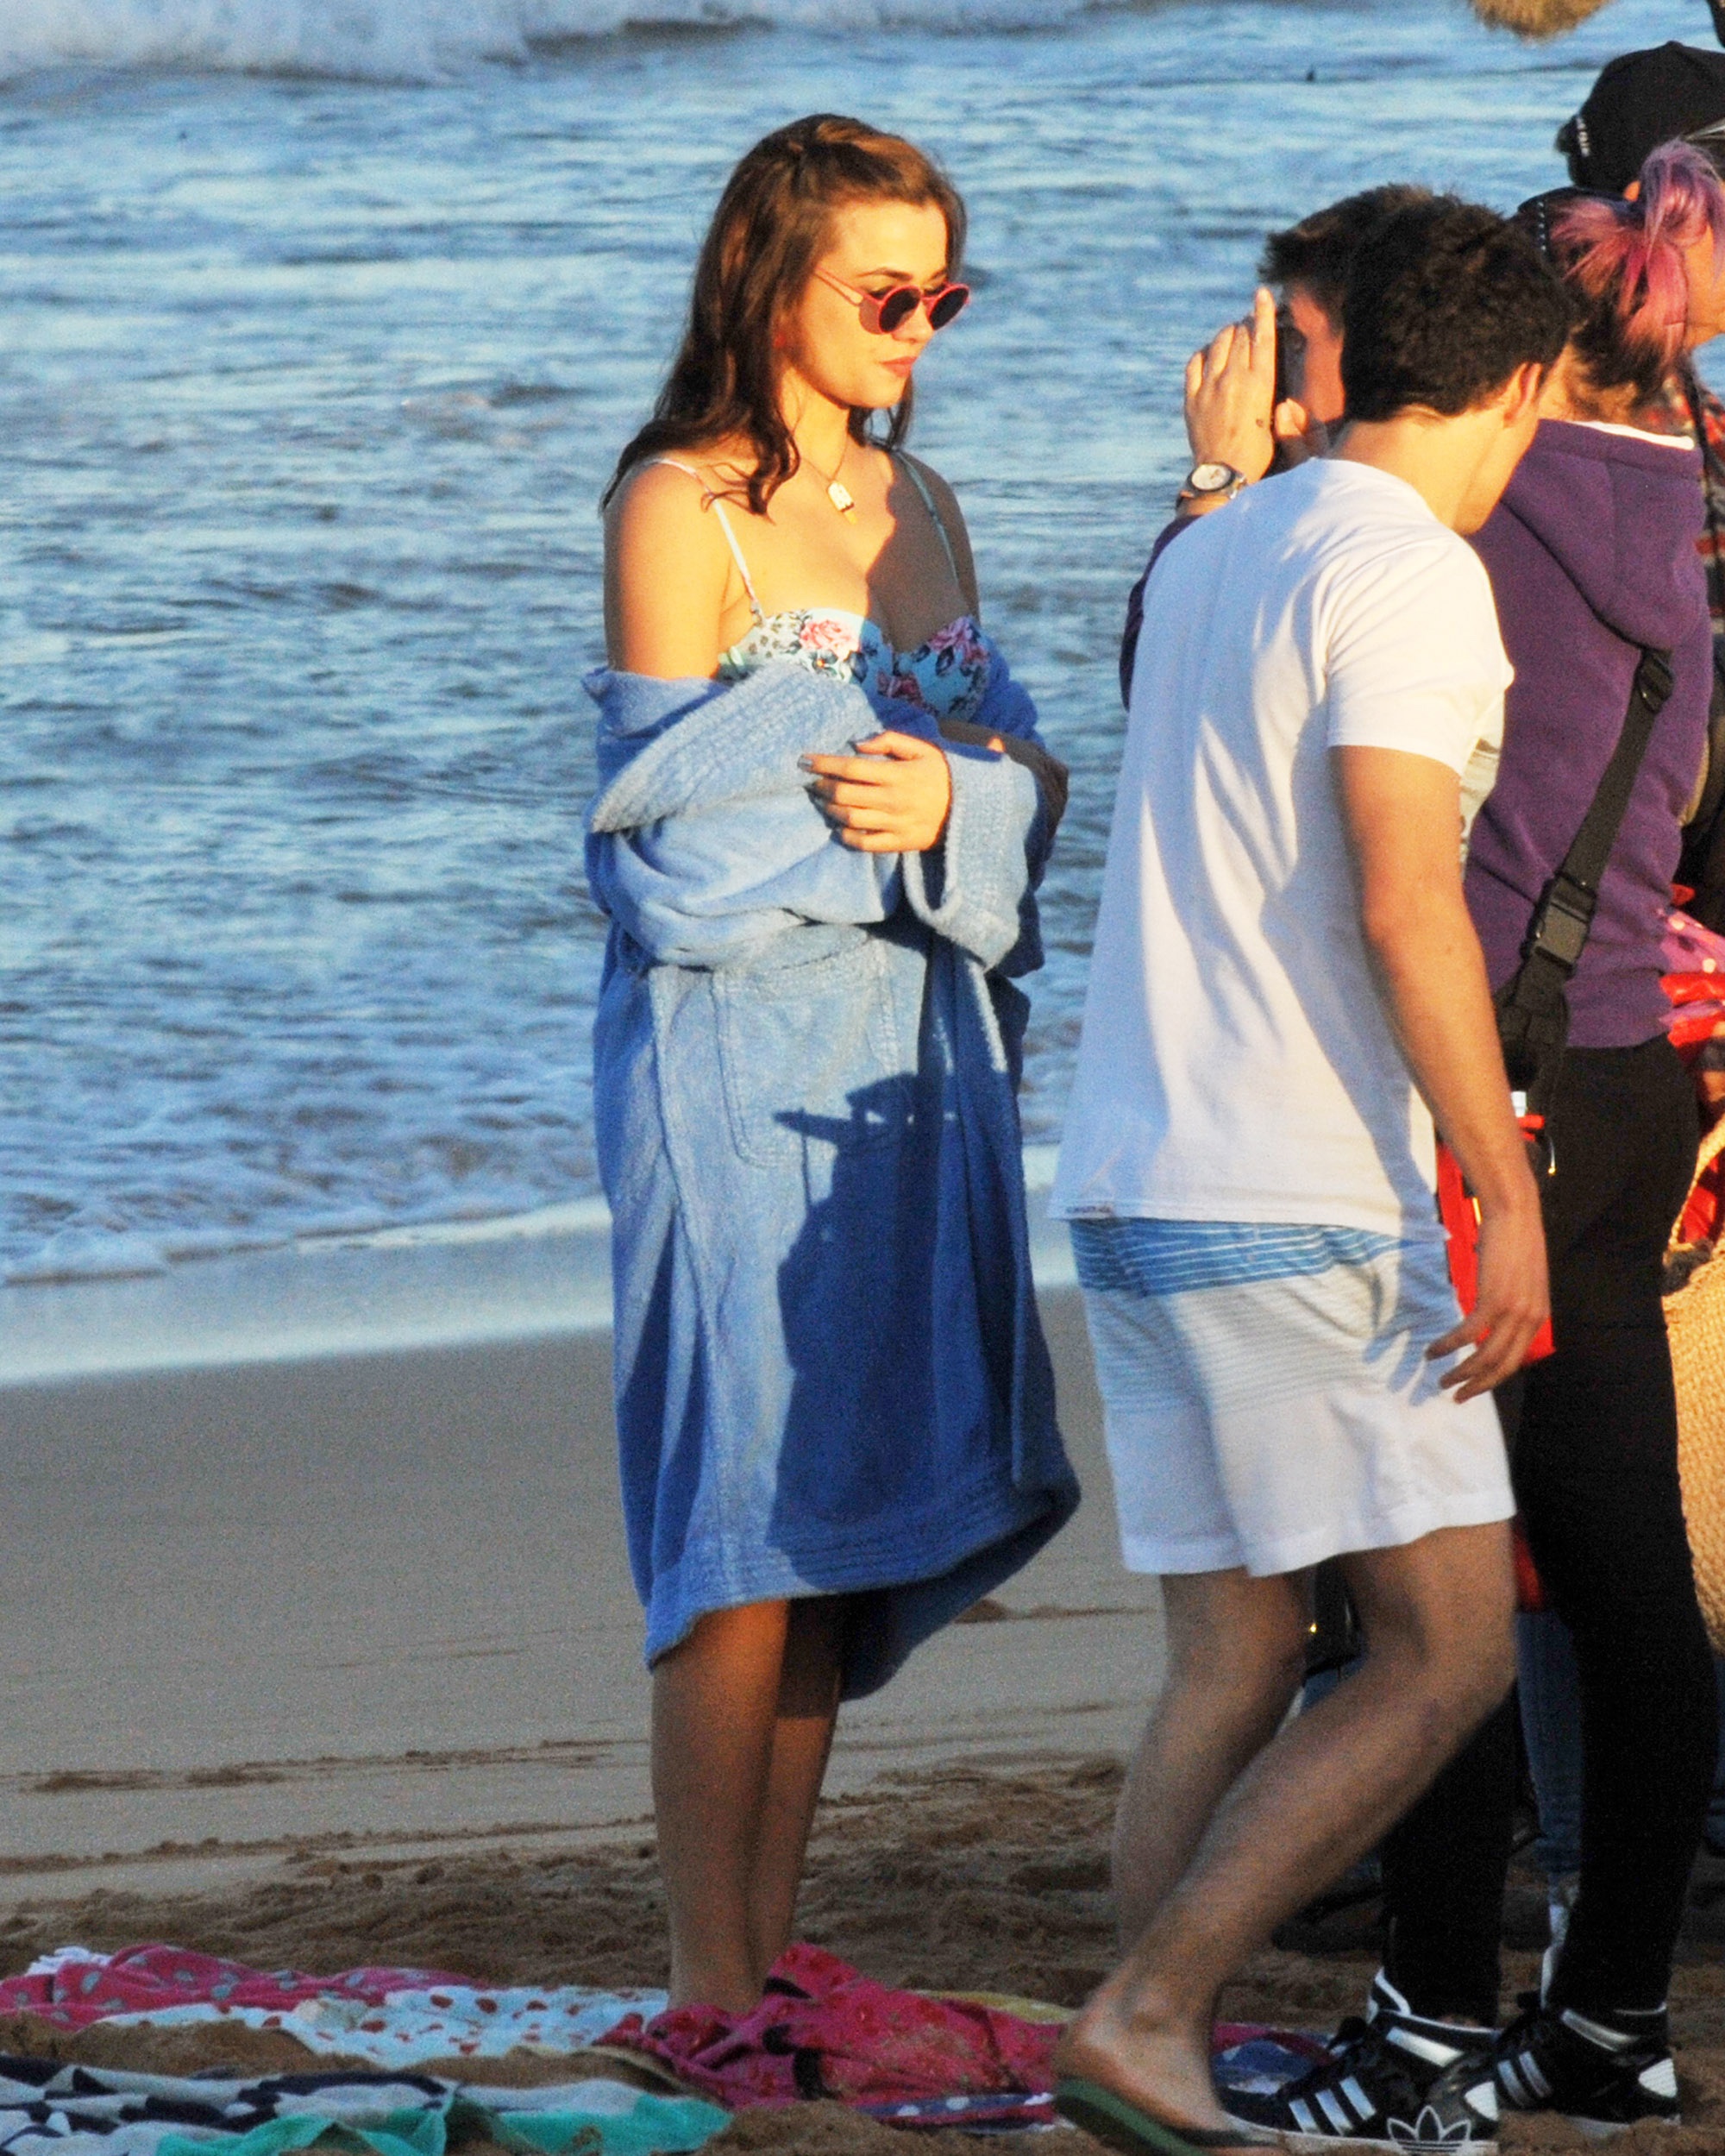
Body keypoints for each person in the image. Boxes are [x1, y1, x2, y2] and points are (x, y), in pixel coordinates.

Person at [1045, 195, 1565, 2156]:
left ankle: (1134, 2041)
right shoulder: (1410, 570)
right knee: (1444, 1647)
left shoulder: (1216, 544)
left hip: (1134, 1169)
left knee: (1238, 1653)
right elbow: (1403, 895)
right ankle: (1149, 2013)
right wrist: (1502, 1182)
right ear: (1518, 382)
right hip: (1296, 1183)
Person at [1231, 141, 1725, 2146]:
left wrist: (1234, 474)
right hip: (1623, 1073)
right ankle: (1609, 2016)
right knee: (1624, 1575)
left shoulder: (1464, 522)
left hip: (1482, 1098)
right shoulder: (1684, 489)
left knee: (1425, 1595)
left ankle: (1429, 2010)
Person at [587, 113, 1078, 2016]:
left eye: (946, 295)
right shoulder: (679, 506)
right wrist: (900, 806)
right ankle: (705, 1980)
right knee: (741, 1519)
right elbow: (660, 844)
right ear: (770, 280)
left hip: (912, 1055)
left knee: (841, 1503)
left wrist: (950, 799)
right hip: (728, 1059)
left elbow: (1029, 779)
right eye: (887, 295)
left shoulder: (923, 499)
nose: (920, 330)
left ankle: (763, 1954)